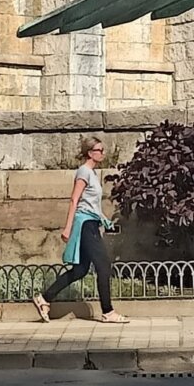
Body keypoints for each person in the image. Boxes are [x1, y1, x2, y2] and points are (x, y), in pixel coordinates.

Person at [32, 138, 129, 324]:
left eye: (102, 149)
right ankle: (108, 312)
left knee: (80, 270)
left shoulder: (91, 173)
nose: (103, 153)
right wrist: (68, 228)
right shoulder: (84, 172)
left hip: (92, 222)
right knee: (103, 265)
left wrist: (104, 220)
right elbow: (74, 200)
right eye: (99, 150)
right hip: (85, 225)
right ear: (90, 153)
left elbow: (91, 204)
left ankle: (44, 299)